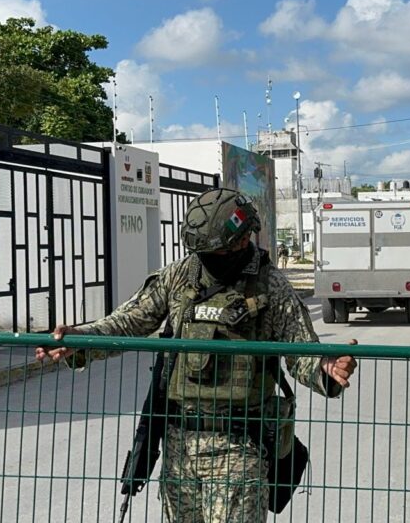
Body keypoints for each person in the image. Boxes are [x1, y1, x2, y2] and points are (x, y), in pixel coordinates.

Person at [35, 188, 357, 522]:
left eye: (218, 249)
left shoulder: (270, 285)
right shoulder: (180, 276)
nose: (209, 257)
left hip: (239, 447)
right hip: (180, 447)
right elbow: (129, 320)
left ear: (242, 239)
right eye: (203, 251)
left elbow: (301, 348)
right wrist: (82, 338)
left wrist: (325, 367)